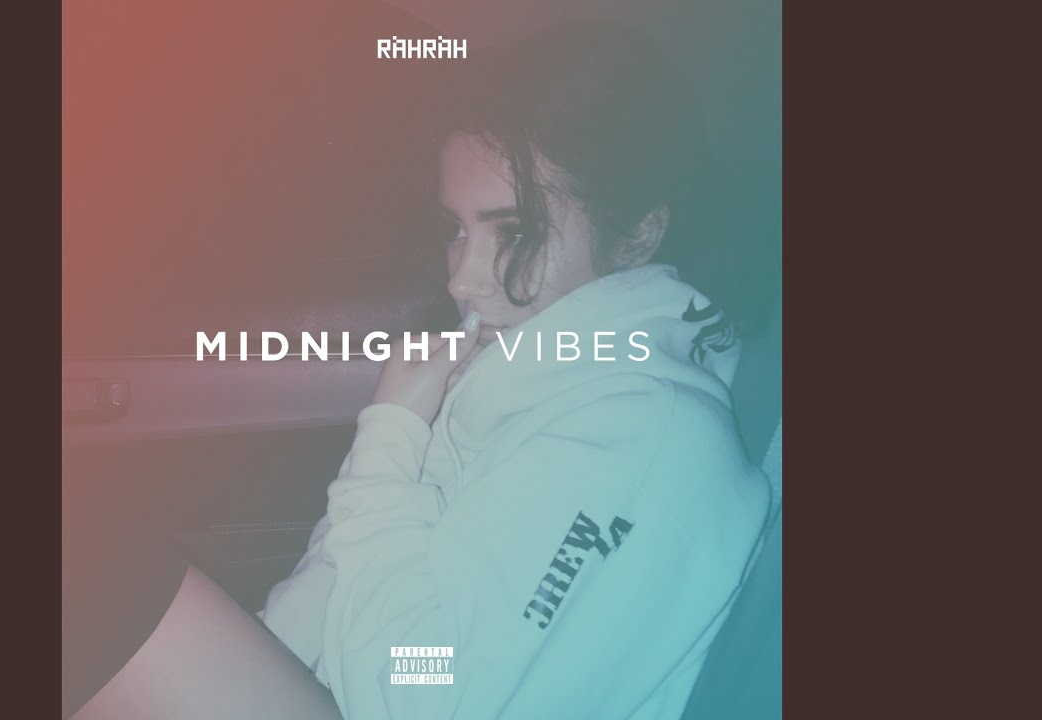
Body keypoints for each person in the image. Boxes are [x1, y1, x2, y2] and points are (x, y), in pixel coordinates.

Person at [73, 20, 771, 720]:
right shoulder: (533, 381)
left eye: (515, 231)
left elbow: (421, 694)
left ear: (639, 235)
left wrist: (390, 439)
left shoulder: (640, 442)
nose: (463, 279)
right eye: (457, 230)